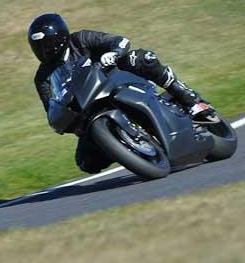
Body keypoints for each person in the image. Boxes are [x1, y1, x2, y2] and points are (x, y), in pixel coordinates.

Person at [28, 13, 217, 173]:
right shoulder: (42, 77)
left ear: (61, 38)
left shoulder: (80, 39)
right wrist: (67, 121)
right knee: (86, 163)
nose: (44, 51)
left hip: (116, 80)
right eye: (38, 47)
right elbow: (51, 107)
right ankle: (126, 146)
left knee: (142, 58)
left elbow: (120, 41)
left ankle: (191, 100)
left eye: (48, 44)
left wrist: (114, 52)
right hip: (86, 112)